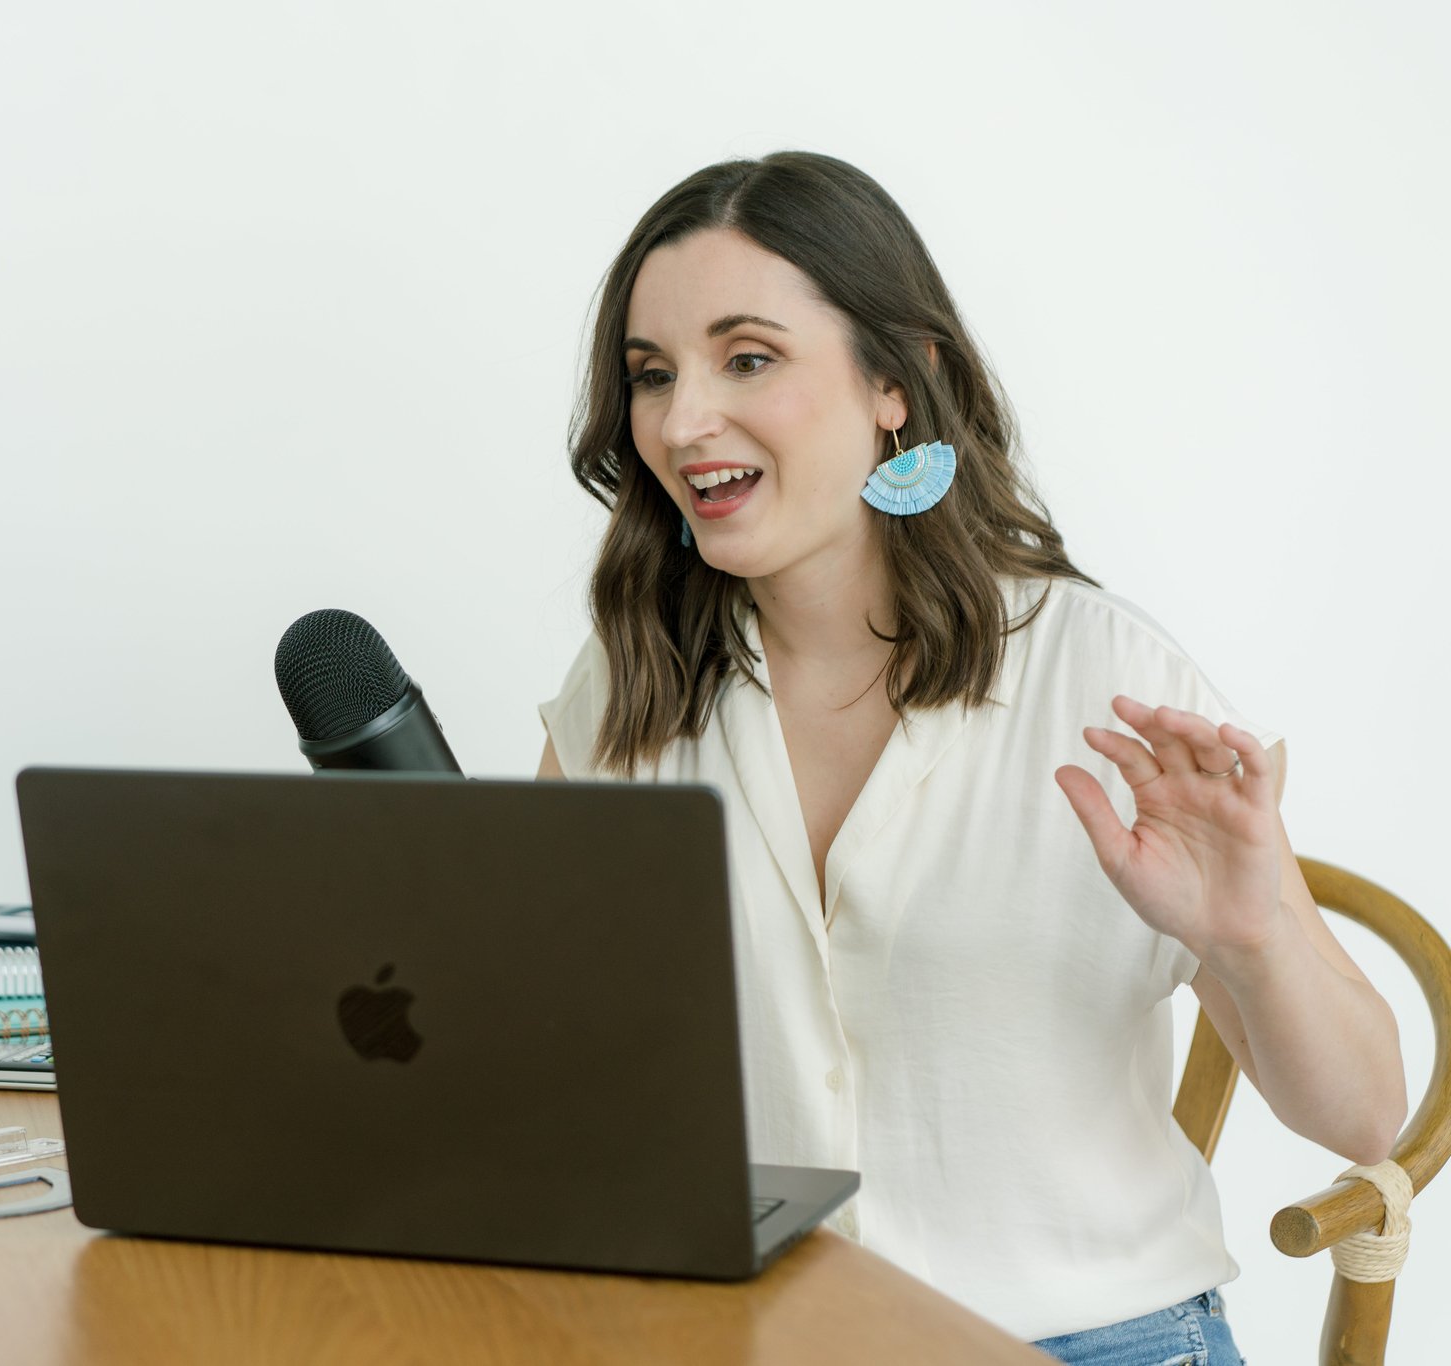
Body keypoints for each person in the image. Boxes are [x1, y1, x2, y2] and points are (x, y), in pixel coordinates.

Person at [536, 151, 1406, 1363]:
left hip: (1090, 1342)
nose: (681, 423)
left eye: (747, 359)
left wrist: (1246, 937)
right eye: (650, 376)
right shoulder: (629, 691)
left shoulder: (1099, 679)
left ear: (896, 381)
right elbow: (534, 1049)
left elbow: (1364, 1114)